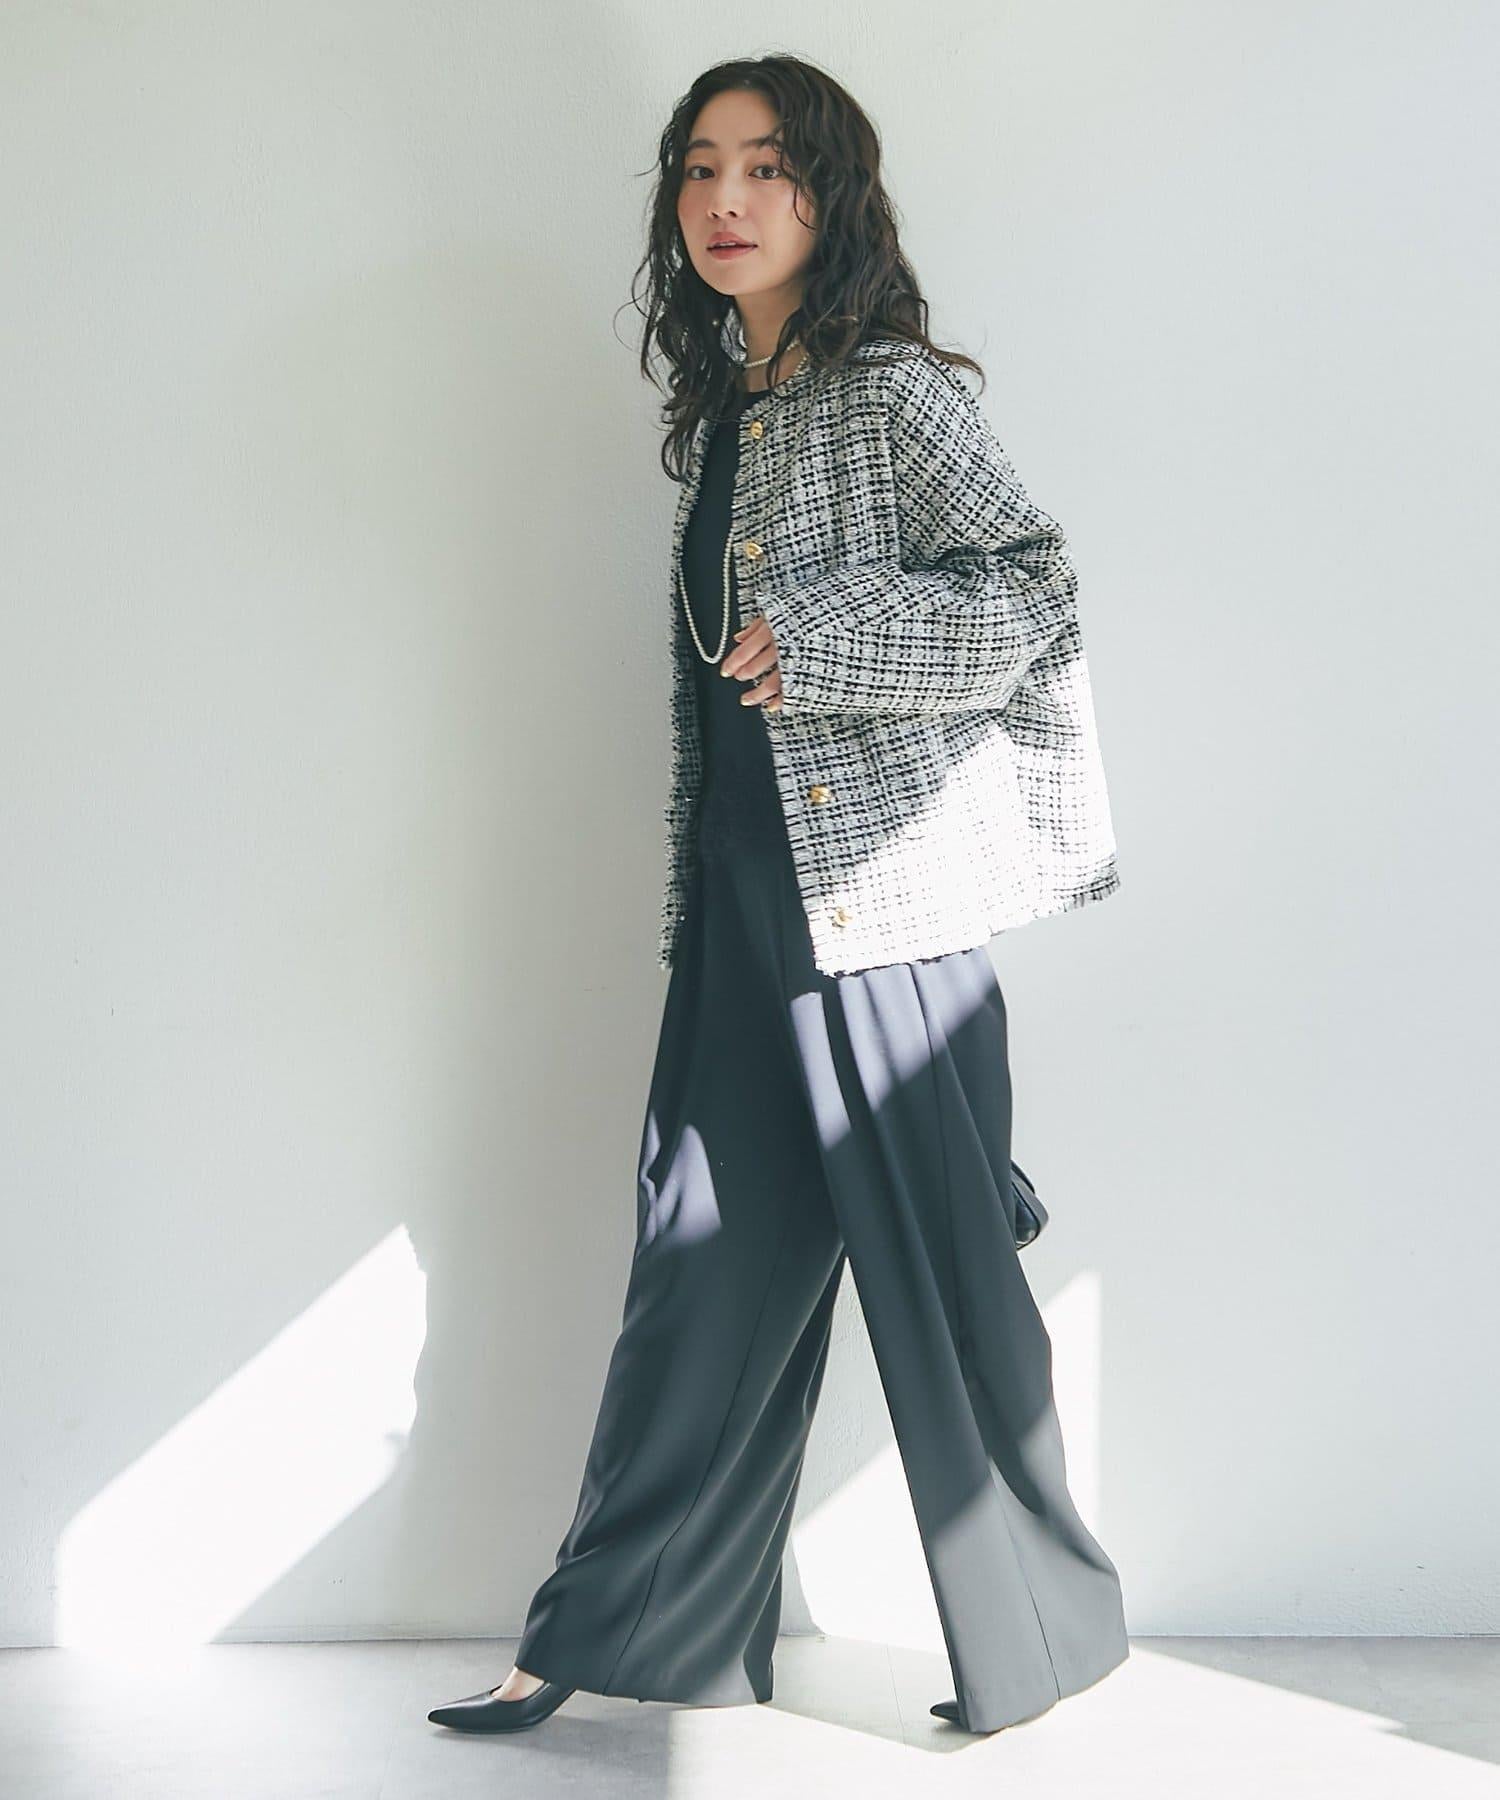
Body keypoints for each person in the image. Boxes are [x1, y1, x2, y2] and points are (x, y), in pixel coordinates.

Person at [429, 52, 1126, 1740]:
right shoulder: (729, 414)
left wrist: (827, 641)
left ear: (830, 192)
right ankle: (601, 1632)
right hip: (745, 913)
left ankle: (1043, 1640)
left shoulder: (891, 394)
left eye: (764, 166)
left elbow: (1034, 590)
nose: (725, 200)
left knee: (942, 1284)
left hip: (883, 915)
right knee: (700, 1271)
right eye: (698, 168)